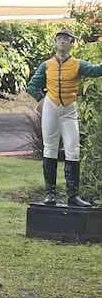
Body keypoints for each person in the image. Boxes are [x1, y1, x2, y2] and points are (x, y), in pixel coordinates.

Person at [27, 28, 102, 207]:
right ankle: (50, 194)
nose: (62, 42)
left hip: (69, 108)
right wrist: (41, 98)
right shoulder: (47, 65)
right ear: (55, 42)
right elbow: (32, 85)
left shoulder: (78, 64)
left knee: (73, 149)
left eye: (66, 39)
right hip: (51, 107)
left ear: (71, 44)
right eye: (59, 39)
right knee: (50, 148)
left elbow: (95, 70)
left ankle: (73, 195)